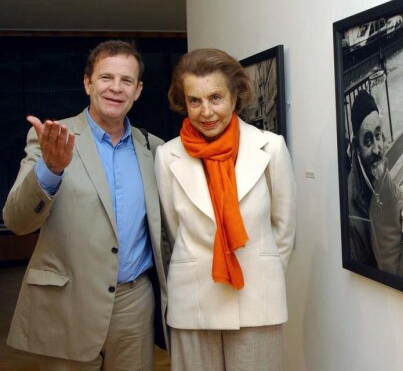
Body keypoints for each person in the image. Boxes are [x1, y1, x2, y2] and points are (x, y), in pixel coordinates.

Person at [2, 40, 168, 369]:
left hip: (133, 304)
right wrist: (50, 169)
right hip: (68, 302)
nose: (116, 88)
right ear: (87, 83)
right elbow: (18, 221)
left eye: (127, 81)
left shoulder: (154, 149)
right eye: (106, 78)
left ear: (138, 91)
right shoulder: (53, 139)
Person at [155, 48, 296, 370]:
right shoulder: (167, 156)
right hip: (193, 300)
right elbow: (172, 231)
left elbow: (284, 231)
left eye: (215, 98)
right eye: (194, 100)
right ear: (183, 103)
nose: (206, 112)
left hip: (257, 297)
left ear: (235, 97)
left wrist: (259, 271)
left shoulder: (270, 148)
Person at [347, 89, 403, 278]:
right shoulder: (352, 209)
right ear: (357, 149)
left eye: (378, 135)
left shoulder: (376, 174)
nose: (377, 148)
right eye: (368, 141)